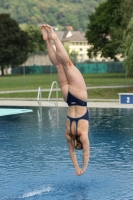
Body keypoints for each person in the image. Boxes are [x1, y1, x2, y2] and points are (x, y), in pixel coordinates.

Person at [40, 24, 90, 176]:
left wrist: (83, 168)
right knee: (59, 66)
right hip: (68, 98)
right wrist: (76, 168)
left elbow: (86, 154)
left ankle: (54, 37)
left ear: (81, 143)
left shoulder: (83, 134)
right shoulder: (69, 134)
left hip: (79, 98)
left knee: (67, 65)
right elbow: (71, 153)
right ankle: (47, 41)